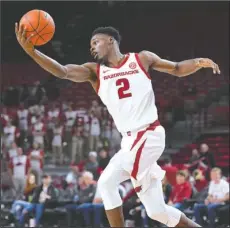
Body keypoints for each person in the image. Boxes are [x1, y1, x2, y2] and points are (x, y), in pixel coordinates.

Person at [15, 23, 221, 227]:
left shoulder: (141, 58)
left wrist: (198, 61)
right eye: (90, 45)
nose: (92, 47)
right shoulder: (94, 72)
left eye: (96, 42)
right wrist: (33, 53)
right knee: (158, 212)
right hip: (129, 142)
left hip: (149, 135)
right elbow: (62, 71)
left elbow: (176, 68)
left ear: (110, 41)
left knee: (106, 183)